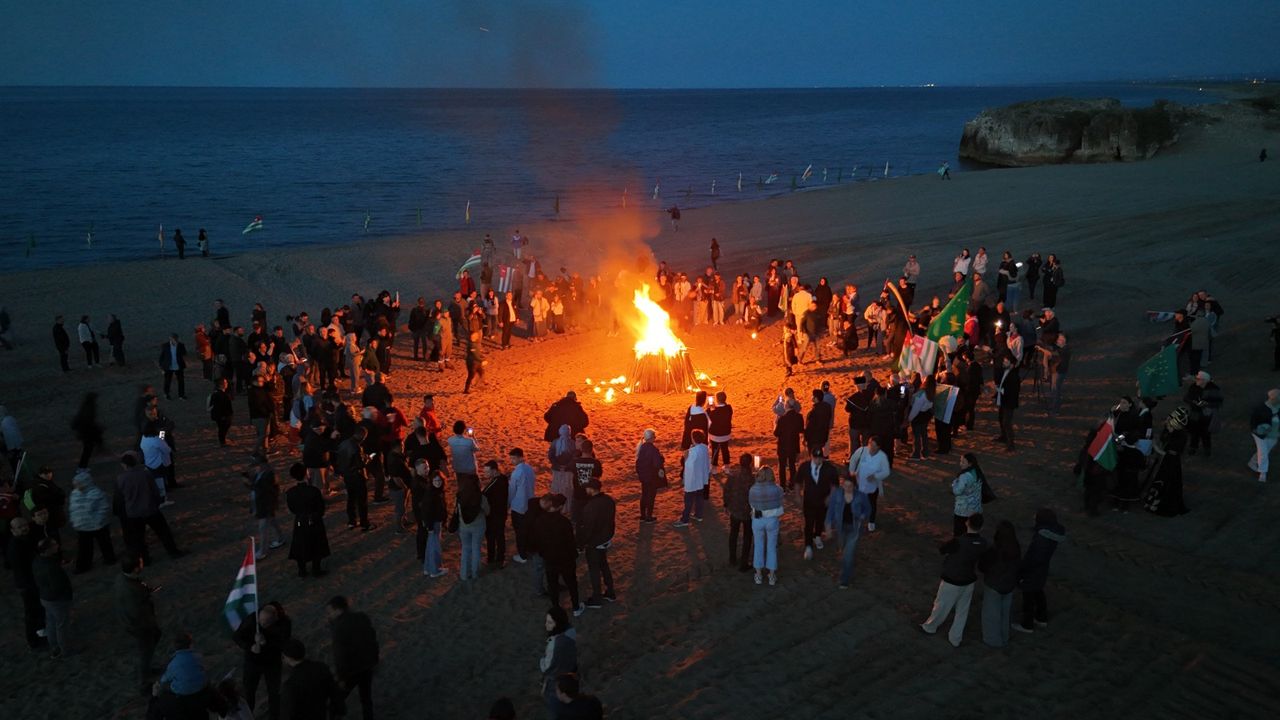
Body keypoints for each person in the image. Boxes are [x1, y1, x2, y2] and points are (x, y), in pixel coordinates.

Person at [919, 513, 987, 647]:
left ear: (967, 523)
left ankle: (930, 626)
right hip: (968, 580)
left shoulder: (959, 541)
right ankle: (955, 638)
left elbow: (942, 549)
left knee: (942, 605)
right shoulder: (983, 543)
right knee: (963, 610)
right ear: (981, 527)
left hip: (952, 579)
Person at [114, 451, 183, 563]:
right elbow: (155, 490)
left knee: (139, 538)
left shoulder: (120, 479)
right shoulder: (146, 474)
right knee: (163, 532)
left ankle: (145, 559)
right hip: (150, 509)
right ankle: (173, 551)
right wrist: (157, 502)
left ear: (124, 465)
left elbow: (119, 498)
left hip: (134, 513)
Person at [234, 602, 293, 720]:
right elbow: (237, 636)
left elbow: (284, 643)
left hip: (272, 662)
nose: (261, 624)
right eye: (260, 621)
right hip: (253, 661)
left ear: (275, 619)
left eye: (265, 622)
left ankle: (274, 716)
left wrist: (266, 642)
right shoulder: (252, 619)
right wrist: (250, 646)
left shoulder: (284, 623)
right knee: (249, 691)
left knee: (274, 692)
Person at [1013, 509, 1066, 634]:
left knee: (1028, 597)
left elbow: (1034, 556)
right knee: (1038, 591)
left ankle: (1027, 625)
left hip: (1032, 569)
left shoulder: (1042, 537)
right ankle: (1041, 617)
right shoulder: (1052, 534)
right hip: (1042, 568)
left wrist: (1022, 570)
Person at [115, 556, 162, 695]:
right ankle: (144, 682)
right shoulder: (132, 589)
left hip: (137, 622)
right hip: (140, 625)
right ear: (136, 568)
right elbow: (136, 612)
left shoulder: (123, 579)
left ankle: (147, 669)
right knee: (145, 651)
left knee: (155, 637)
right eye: (140, 564)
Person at [327, 595, 379, 720]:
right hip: (367, 665)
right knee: (366, 698)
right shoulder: (362, 617)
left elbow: (340, 656)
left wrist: (341, 677)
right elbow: (372, 639)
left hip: (352, 670)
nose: (329, 615)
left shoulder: (339, 628)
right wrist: (374, 659)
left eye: (330, 611)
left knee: (336, 699)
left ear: (338, 610)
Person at [533, 494, 583, 615]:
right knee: (571, 583)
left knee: (552, 583)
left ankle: (556, 606)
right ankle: (576, 607)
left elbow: (538, 540)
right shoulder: (564, 522)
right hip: (565, 558)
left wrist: (543, 553)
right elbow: (570, 541)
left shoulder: (540, 520)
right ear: (560, 507)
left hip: (549, 557)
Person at [978, 520, 1021, 648]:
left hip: (994, 584)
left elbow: (982, 566)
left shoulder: (995, 550)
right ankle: (1004, 636)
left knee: (991, 614)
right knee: (1004, 612)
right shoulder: (1015, 547)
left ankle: (993, 640)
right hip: (1009, 584)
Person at [824, 473, 871, 589]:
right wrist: (828, 526)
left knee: (848, 554)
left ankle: (844, 580)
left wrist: (863, 516)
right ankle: (849, 563)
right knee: (843, 548)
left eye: (850, 486)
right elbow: (830, 510)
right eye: (845, 485)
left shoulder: (861, 496)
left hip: (854, 528)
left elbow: (868, 509)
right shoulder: (837, 494)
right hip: (841, 527)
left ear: (854, 486)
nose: (847, 488)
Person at [1143, 406, 1191, 516]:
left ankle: (1161, 504)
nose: (1168, 423)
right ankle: (1152, 503)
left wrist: (1155, 447)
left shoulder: (1181, 436)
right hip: (1165, 461)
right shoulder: (1170, 431)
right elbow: (1163, 439)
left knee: (1167, 482)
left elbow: (1170, 452)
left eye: (1170, 422)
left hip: (1171, 462)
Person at [284, 463, 329, 577]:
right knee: (316, 543)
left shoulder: (290, 493)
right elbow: (321, 508)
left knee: (300, 544)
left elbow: (292, 508)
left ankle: (302, 569)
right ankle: (316, 568)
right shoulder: (313, 491)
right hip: (314, 519)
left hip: (299, 520)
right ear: (306, 474)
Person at [280, 639, 342, 720]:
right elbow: (334, 693)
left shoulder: (290, 685)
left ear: (289, 658)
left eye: (283, 657)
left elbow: (287, 714)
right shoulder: (321, 667)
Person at [578, 479, 616, 608]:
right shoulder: (609, 500)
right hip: (605, 539)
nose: (585, 490)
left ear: (592, 489)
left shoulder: (591, 506)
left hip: (595, 541)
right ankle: (610, 592)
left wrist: (581, 543)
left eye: (587, 488)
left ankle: (596, 598)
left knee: (594, 569)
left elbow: (588, 527)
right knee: (604, 565)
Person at [68, 469, 115, 574]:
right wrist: (75, 521)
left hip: (98, 525)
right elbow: (73, 509)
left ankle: (110, 559)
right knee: (84, 548)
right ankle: (83, 566)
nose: (77, 485)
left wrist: (98, 521)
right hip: (83, 527)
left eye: (79, 483)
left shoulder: (96, 493)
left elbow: (103, 508)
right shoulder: (75, 494)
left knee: (105, 544)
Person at [31, 538, 72, 658]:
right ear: (48, 549)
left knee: (51, 622)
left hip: (45, 597)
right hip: (57, 600)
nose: (57, 545)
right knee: (62, 625)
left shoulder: (37, 560)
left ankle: (54, 647)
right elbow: (58, 585)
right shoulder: (51, 566)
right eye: (54, 545)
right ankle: (65, 650)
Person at [748, 466, 785, 586]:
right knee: (771, 546)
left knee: (758, 545)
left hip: (758, 520)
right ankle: (772, 576)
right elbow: (780, 502)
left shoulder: (753, 489)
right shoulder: (777, 489)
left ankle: (758, 574)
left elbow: (751, 504)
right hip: (772, 519)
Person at [799, 447, 838, 560]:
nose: (817, 461)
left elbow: (835, 485)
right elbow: (798, 481)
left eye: (820, 458)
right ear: (811, 457)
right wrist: (798, 495)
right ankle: (808, 546)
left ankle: (817, 536)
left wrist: (830, 496)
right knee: (809, 523)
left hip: (823, 501)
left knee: (820, 520)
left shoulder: (829, 469)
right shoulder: (805, 467)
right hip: (809, 501)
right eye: (815, 458)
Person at [247, 453, 287, 559]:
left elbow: (272, 492)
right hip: (262, 504)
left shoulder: (269, 475)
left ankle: (263, 551)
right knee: (272, 521)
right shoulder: (260, 473)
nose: (255, 467)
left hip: (265, 505)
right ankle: (280, 538)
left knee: (263, 528)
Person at [539, 606, 578, 713]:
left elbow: (547, 667)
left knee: (556, 703)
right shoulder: (571, 632)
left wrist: (541, 660)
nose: (546, 624)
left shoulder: (554, 644)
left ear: (557, 623)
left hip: (558, 677)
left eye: (550, 622)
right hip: (571, 669)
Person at [721, 454, 755, 572]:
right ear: (750, 463)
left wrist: (726, 504)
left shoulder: (734, 475)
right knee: (747, 536)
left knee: (733, 534)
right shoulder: (752, 478)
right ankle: (744, 563)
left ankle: (732, 559)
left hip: (735, 510)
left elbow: (726, 490)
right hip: (747, 511)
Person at [849, 437, 890, 532]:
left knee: (872, 503)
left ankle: (871, 521)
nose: (871, 447)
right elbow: (853, 460)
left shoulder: (882, 457)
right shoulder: (861, 450)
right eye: (870, 444)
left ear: (878, 447)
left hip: (873, 485)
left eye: (874, 445)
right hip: (860, 483)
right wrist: (852, 472)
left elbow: (886, 471)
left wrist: (876, 476)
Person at [455, 473, 489, 580]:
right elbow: (487, 511)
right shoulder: (481, 497)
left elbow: (457, 510)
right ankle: (475, 573)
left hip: (464, 526)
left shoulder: (460, 495)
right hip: (478, 526)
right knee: (476, 548)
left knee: (465, 549)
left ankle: (464, 574)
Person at [1185, 371, 1223, 456]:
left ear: (1204, 380)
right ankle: (1193, 448)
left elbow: (1218, 402)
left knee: (1205, 433)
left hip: (1207, 415)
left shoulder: (1214, 389)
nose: (1197, 380)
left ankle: (1207, 449)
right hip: (1195, 413)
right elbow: (1186, 398)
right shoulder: (1193, 387)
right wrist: (1193, 402)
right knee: (1194, 432)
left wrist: (1207, 404)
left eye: (1198, 379)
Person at [676, 429, 710, 527]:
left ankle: (684, 520)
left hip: (692, 479)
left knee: (688, 500)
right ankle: (698, 515)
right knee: (699, 497)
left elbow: (687, 465)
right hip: (701, 478)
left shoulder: (692, 451)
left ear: (693, 439)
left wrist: (685, 455)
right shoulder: (704, 448)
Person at [508, 449, 535, 562]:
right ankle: (528, 549)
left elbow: (512, 490)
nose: (512, 461)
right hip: (529, 502)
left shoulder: (516, 473)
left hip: (518, 506)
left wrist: (508, 503)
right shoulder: (529, 469)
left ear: (520, 457)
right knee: (527, 529)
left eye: (513, 458)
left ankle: (522, 555)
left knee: (519, 531)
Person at [1249, 389, 1280, 483]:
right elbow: (1253, 421)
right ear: (1273, 398)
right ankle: (1263, 473)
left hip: (1274, 435)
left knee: (1264, 451)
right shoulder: (1261, 408)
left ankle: (1252, 463)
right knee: (1263, 453)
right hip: (1260, 435)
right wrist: (1257, 429)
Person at [635, 429, 665, 524]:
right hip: (651, 477)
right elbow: (657, 464)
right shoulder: (653, 449)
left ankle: (643, 515)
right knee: (651, 496)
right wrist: (662, 459)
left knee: (644, 495)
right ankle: (649, 516)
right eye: (654, 437)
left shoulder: (641, 447)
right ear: (651, 438)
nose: (655, 438)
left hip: (643, 476)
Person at [773, 399, 804, 490]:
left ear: (786, 406)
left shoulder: (782, 418)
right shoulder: (799, 417)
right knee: (792, 465)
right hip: (793, 445)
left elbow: (776, 433)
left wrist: (775, 425)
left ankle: (782, 485)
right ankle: (792, 484)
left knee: (782, 466)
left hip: (783, 446)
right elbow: (801, 430)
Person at [951, 453, 984, 536]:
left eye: (963, 462)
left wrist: (954, 483)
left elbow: (957, 491)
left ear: (970, 463)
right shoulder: (977, 472)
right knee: (972, 531)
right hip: (975, 508)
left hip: (963, 509)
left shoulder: (964, 476)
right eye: (960, 461)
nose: (960, 464)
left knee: (959, 531)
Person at [994, 357, 1020, 451]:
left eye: (1006, 361)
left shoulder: (1014, 376)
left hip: (1008, 403)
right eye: (1004, 361)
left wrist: (999, 390)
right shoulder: (1005, 372)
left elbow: (1012, 391)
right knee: (1001, 419)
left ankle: (1011, 444)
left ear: (1012, 364)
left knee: (1007, 423)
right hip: (1003, 401)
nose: (1003, 363)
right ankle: (1003, 436)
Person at [707, 391, 733, 472]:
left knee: (715, 450)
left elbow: (708, 418)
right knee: (725, 449)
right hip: (725, 434)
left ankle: (714, 467)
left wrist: (708, 408)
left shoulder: (714, 411)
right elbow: (724, 408)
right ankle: (727, 467)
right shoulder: (729, 408)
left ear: (717, 400)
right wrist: (716, 406)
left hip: (715, 435)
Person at [158, 334, 188, 400]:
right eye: (174, 340)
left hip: (179, 366)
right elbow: (162, 356)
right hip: (169, 367)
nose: (175, 341)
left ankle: (181, 395)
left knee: (181, 381)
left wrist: (180, 349)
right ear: (170, 339)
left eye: (176, 340)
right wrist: (161, 367)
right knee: (167, 381)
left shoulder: (181, 345)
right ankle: (166, 394)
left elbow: (184, 353)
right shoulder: (165, 345)